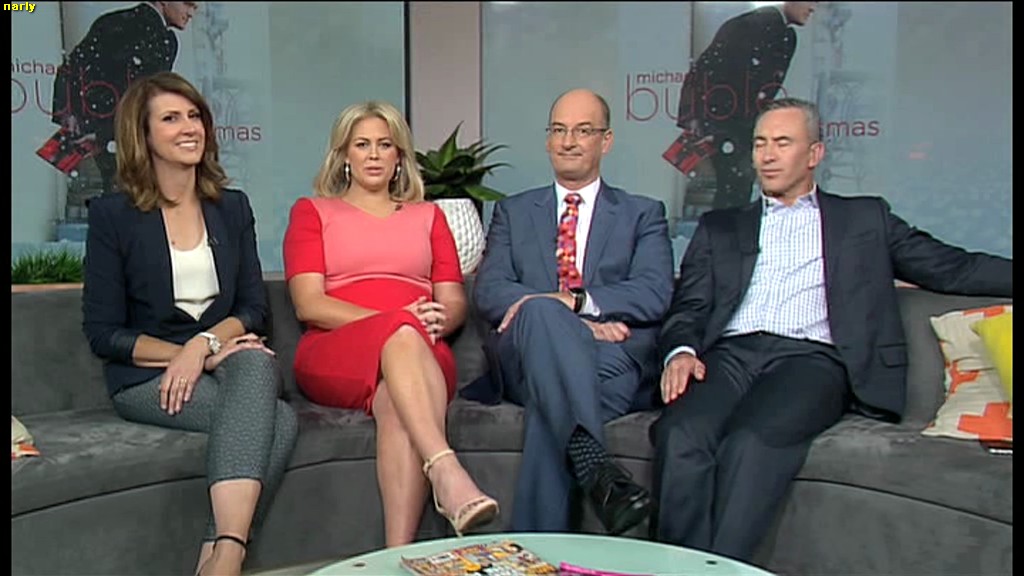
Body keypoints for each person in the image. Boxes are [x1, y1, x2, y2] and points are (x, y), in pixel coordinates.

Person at [650, 97, 1013, 563]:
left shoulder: (864, 219)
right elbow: (690, 306)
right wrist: (680, 350)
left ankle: (719, 570)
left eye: (783, 142)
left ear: (815, 154)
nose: (767, 155)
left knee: (752, 441)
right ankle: (675, 568)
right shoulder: (721, 227)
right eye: (760, 143)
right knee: (681, 433)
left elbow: (953, 269)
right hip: (729, 356)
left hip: (811, 360)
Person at [81, 71, 297, 576]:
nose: (189, 127)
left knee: (257, 368)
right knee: (279, 420)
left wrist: (203, 347)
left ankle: (222, 555)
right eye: (171, 118)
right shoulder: (114, 216)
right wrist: (184, 355)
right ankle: (223, 555)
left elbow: (252, 309)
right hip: (147, 378)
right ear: (143, 134)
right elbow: (104, 333)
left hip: (219, 358)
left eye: (194, 115)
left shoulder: (231, 207)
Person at [282, 101, 499, 546]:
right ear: (344, 154)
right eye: (362, 145)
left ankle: (396, 556)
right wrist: (397, 319)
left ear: (400, 155)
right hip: (336, 347)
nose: (374, 155)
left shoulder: (428, 216)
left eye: (385, 145)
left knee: (398, 406)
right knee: (400, 333)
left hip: (420, 351)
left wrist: (441, 317)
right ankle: (446, 468)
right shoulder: (313, 212)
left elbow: (453, 300)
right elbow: (309, 305)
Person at [471, 89, 675, 534]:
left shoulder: (642, 214)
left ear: (606, 141)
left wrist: (578, 302)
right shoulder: (513, 211)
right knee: (543, 315)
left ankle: (541, 544)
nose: (568, 141)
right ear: (547, 140)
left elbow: (654, 291)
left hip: (612, 363)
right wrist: (572, 323)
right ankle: (596, 467)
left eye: (583, 131)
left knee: (552, 405)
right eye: (559, 130)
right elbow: (491, 290)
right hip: (526, 355)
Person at [668, 2, 818, 212]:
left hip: (733, 126)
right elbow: (713, 75)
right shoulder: (758, 27)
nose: (813, 7)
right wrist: (709, 125)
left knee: (735, 192)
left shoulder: (778, 32)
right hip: (731, 127)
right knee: (734, 193)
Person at [49, 2, 198, 196]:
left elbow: (69, 71)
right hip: (119, 143)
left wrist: (69, 117)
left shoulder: (112, 21)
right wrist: (103, 134)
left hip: (87, 139)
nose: (191, 13)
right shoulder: (161, 39)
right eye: (188, 4)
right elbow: (141, 101)